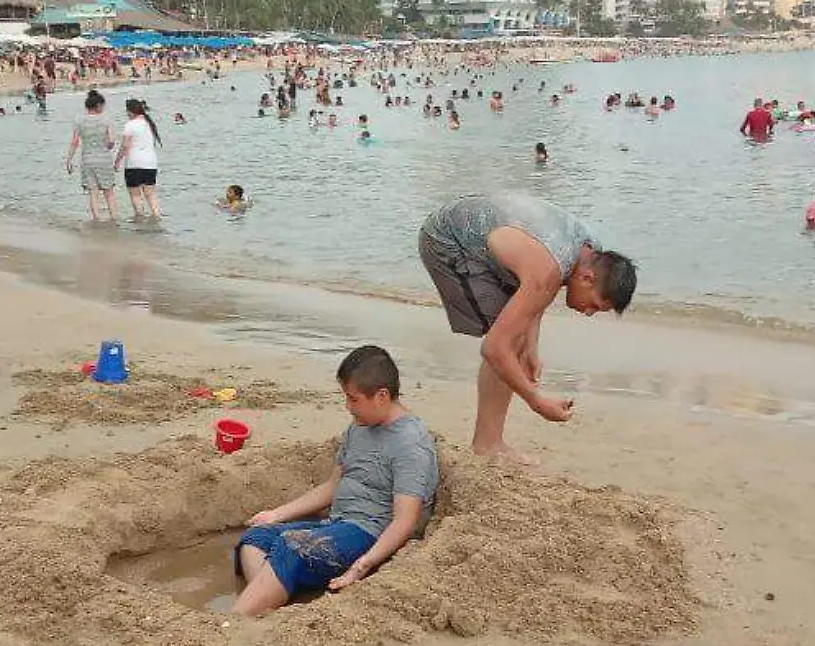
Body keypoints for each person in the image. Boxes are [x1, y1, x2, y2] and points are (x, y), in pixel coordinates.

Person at [418, 193, 637, 464]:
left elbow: (537, 293)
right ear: (587, 278)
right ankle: (487, 443)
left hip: (490, 235)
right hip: (448, 240)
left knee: (518, 340)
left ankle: (489, 440)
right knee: (506, 344)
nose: (589, 313)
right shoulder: (549, 268)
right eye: (594, 305)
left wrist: (532, 346)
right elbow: (495, 347)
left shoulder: (591, 254)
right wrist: (536, 400)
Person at [233, 346, 438, 617]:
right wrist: (275, 514)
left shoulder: (411, 444)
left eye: (353, 399)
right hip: (337, 524)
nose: (348, 407)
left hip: (368, 533)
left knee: (292, 548)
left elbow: (405, 521)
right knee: (256, 538)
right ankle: (276, 601)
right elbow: (332, 487)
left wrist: (362, 566)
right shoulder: (360, 427)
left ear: (381, 396)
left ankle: (234, 621)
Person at [66, 89, 118, 222]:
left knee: (93, 193)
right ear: (98, 105)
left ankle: (97, 219)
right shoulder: (107, 119)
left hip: (87, 159)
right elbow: (111, 141)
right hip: (104, 159)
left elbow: (74, 142)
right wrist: (107, 145)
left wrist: (69, 160)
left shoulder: (79, 120)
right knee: (109, 192)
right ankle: (114, 219)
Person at [113, 99, 162, 219]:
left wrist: (117, 161)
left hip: (134, 163)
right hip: (151, 163)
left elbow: (125, 146)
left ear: (131, 111)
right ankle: (156, 217)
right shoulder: (150, 124)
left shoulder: (130, 125)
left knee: (135, 195)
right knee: (150, 194)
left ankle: (140, 218)